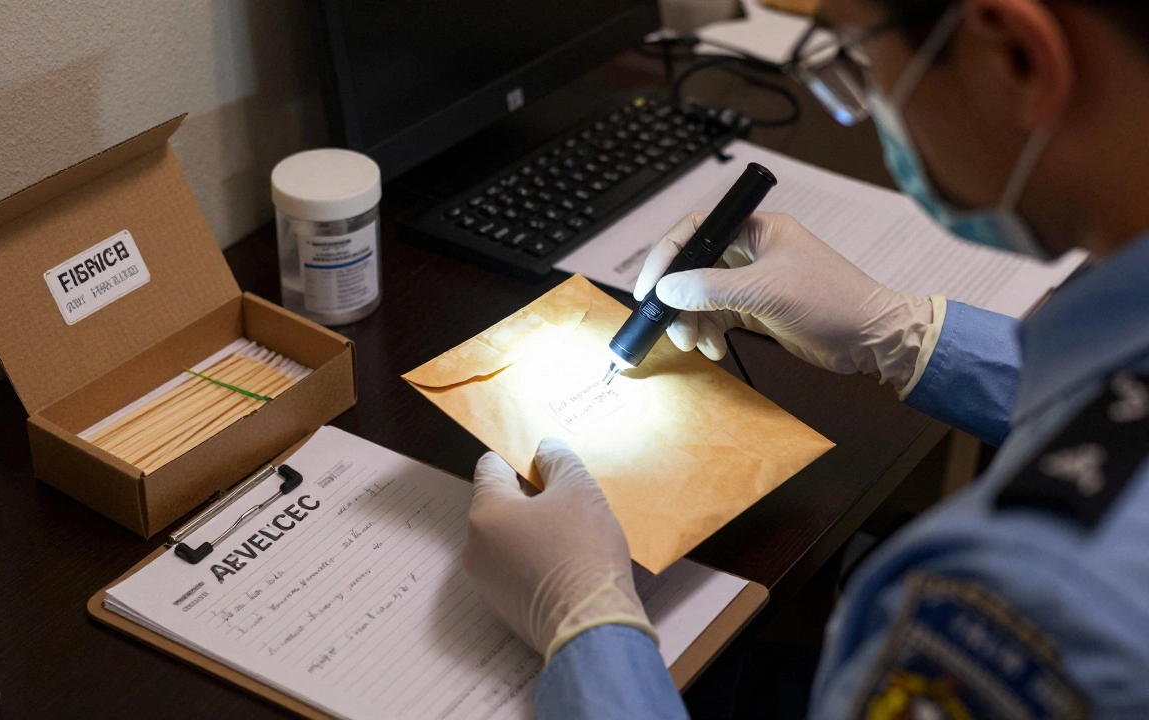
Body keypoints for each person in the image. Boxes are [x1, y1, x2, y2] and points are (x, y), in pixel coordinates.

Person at [461, 0, 1149, 716]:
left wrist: (585, 627)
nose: (865, 99)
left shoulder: (1027, 607)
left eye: (856, 53)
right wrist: (904, 333)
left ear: (1016, 57)